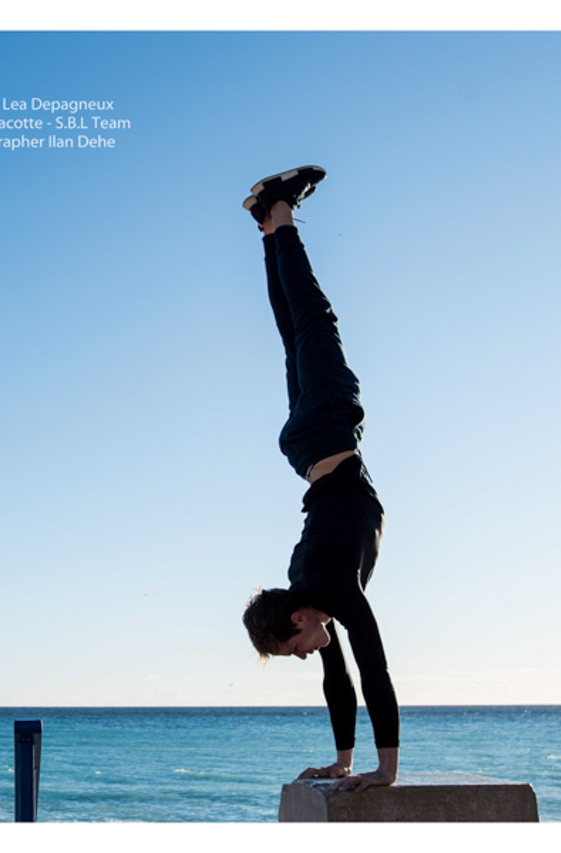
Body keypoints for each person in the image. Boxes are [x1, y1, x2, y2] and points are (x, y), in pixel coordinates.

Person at [239, 166, 399, 793]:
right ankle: (267, 225)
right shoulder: (310, 587)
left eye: (296, 645)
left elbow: (374, 666)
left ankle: (279, 210)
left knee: (314, 319)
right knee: (293, 331)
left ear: (300, 615)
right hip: (305, 446)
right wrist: (344, 761)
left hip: (328, 427)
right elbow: (341, 678)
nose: (306, 653)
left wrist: (385, 771)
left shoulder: (330, 586)